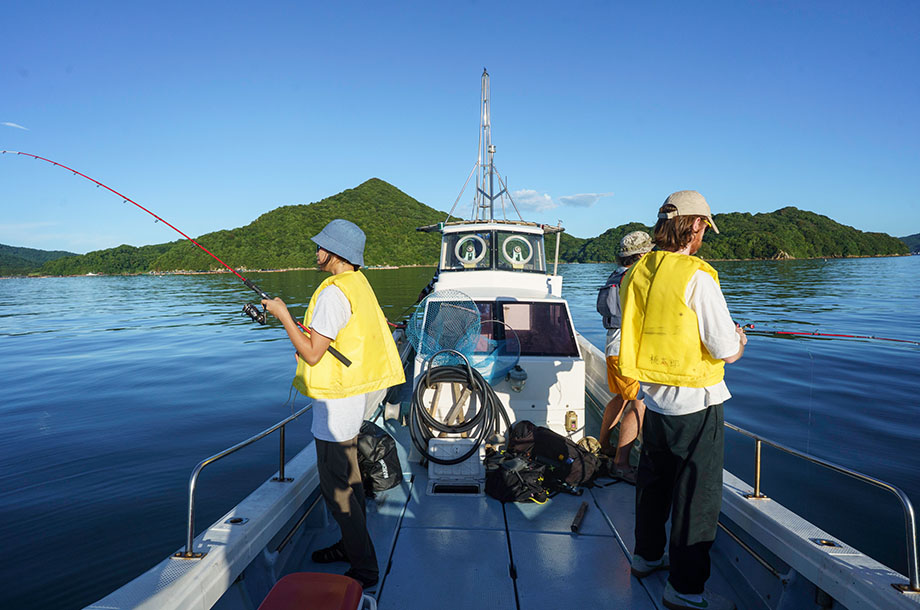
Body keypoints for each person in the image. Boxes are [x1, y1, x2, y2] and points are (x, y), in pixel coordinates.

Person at [619, 191, 746, 610]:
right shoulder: (698, 276)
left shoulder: (635, 274)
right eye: (705, 227)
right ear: (695, 225)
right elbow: (725, 348)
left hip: (654, 400)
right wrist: (741, 339)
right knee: (697, 494)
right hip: (697, 401)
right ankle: (685, 588)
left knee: (653, 483)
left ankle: (646, 556)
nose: (704, 234)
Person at [261, 219, 405, 589]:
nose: (316, 251)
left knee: (337, 489)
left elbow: (311, 354)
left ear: (334, 251)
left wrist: (281, 315)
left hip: (336, 405)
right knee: (351, 481)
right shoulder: (358, 284)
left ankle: (365, 567)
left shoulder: (332, 294)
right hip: (353, 399)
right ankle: (348, 545)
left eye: (320, 246)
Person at [596, 230, 653, 484]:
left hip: (612, 347)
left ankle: (604, 445)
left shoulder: (614, 276)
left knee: (620, 397)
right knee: (638, 402)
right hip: (627, 350)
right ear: (641, 255)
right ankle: (621, 463)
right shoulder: (637, 278)